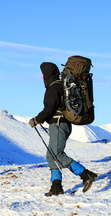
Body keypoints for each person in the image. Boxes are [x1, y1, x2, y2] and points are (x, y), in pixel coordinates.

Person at [29, 62, 98, 196]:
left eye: (43, 73)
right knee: (51, 155)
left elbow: (49, 109)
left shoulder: (53, 87)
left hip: (59, 124)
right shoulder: (60, 85)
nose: (42, 76)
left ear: (47, 74)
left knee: (57, 155)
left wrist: (36, 120)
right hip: (61, 124)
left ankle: (86, 175)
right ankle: (56, 187)